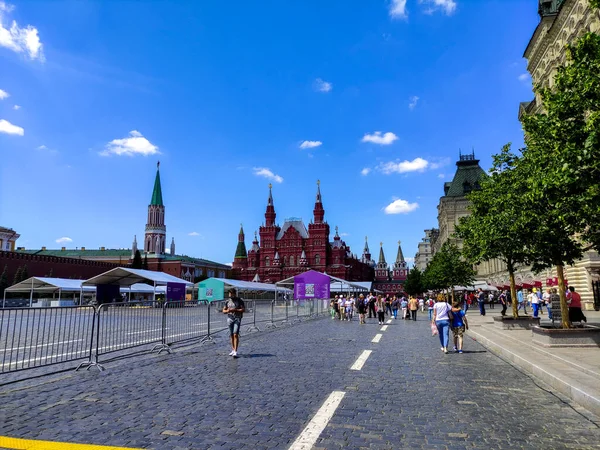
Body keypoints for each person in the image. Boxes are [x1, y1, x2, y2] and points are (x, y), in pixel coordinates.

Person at [223, 288, 245, 358]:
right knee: (231, 334)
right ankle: (233, 349)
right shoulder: (227, 301)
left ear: (234, 294)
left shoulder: (239, 300)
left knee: (235, 334)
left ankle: (235, 350)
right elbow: (223, 310)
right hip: (229, 319)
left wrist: (235, 310)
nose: (230, 295)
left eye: (231, 294)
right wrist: (227, 311)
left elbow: (243, 309)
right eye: (229, 294)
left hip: (237, 318)